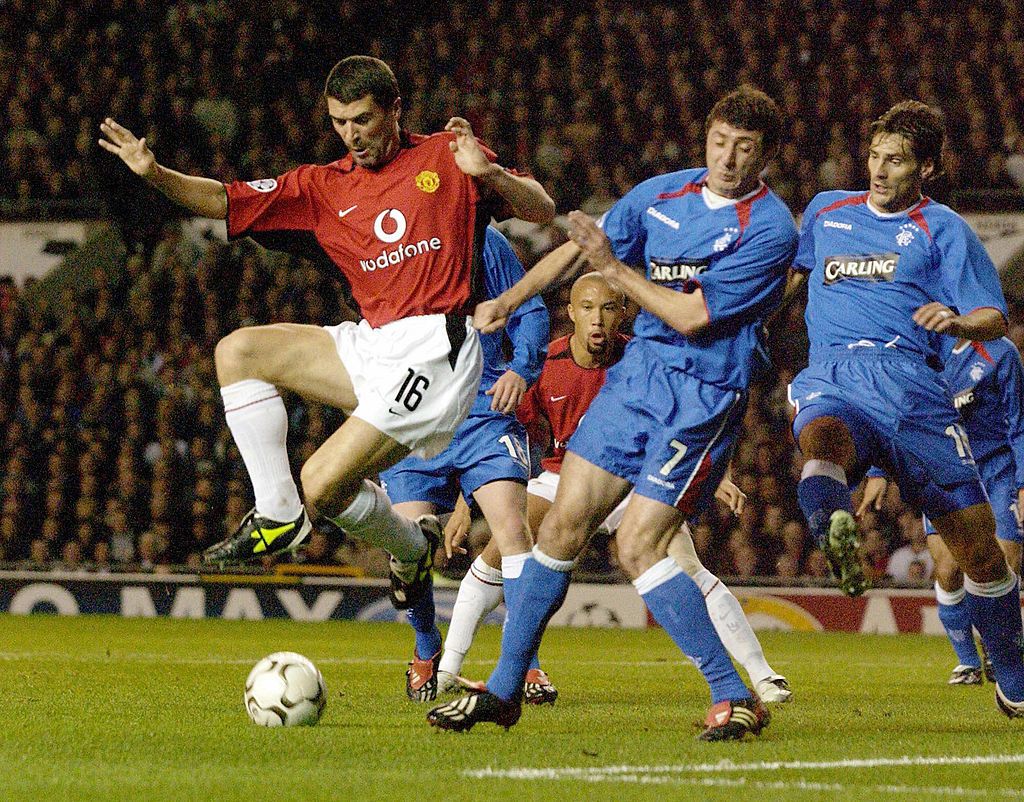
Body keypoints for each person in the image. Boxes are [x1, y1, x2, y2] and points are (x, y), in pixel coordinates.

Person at [99, 56, 554, 610]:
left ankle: (349, 530)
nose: (351, 134)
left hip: (438, 349)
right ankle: (305, 518)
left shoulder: (446, 154)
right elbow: (225, 199)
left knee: (319, 481)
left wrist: (492, 174)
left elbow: (543, 210)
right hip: (376, 341)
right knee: (238, 351)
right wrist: (154, 173)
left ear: (394, 110)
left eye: (362, 119)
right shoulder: (322, 186)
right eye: (339, 122)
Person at [428, 86, 798, 740]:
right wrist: (510, 300)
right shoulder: (663, 193)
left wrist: (614, 272)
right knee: (561, 528)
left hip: (702, 393)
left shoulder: (770, 229)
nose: (728, 158)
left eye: (745, 148)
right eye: (720, 142)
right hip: (638, 381)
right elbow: (579, 250)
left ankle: (734, 694)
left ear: (764, 156)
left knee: (639, 544)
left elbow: (690, 315)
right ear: (705, 136)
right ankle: (506, 688)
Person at [442, 271, 791, 704]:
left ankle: (763, 676)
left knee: (687, 567)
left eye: (609, 308)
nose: (598, 320)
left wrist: (718, 473)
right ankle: (446, 669)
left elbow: (689, 414)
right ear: (570, 313)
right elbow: (495, 440)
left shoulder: (643, 361)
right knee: (502, 547)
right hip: (565, 477)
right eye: (587, 308)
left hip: (635, 480)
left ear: (624, 313)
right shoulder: (543, 366)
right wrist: (463, 504)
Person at [786, 100, 1024, 717]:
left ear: (928, 168)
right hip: (834, 369)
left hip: (914, 387)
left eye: (896, 160)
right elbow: (784, 277)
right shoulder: (825, 212)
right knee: (824, 435)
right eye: (874, 156)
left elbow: (995, 319)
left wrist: (958, 318)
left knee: (979, 552)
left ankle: (1013, 678)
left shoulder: (944, 229)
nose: (880, 170)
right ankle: (831, 526)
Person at [377, 225, 549, 702]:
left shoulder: (484, 241)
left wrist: (522, 366)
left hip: (483, 410)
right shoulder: (389, 237)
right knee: (409, 547)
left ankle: (525, 664)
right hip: (411, 408)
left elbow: (529, 308)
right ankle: (426, 644)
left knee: (512, 532)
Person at [860, 335, 1024, 684]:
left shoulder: (1000, 352)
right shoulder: (923, 351)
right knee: (948, 569)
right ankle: (968, 662)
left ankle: (1001, 652)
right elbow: (897, 412)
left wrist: (1023, 482)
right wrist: (877, 471)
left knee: (1005, 561)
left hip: (998, 469)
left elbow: (1019, 423)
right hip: (946, 467)